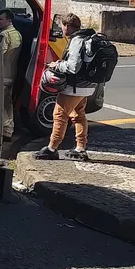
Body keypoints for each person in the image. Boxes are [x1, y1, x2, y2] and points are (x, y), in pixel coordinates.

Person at [34, 13, 98, 161]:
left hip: (74, 86)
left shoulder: (76, 40)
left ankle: (52, 148)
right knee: (78, 115)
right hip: (87, 86)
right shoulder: (88, 37)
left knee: (60, 115)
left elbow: (73, 67)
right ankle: (80, 148)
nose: (62, 29)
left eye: (62, 26)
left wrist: (57, 65)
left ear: (67, 26)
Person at [0, 9, 22, 143]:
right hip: (12, 74)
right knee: (8, 103)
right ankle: (8, 130)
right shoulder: (17, 34)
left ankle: (1, 129)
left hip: (2, 74)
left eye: (1, 19)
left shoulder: (4, 35)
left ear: (9, 20)